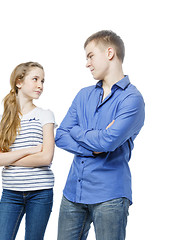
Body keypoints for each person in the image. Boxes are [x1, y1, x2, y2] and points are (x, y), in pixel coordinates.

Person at [55, 30, 145, 240]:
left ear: (110, 53)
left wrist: (77, 132)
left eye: (90, 55)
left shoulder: (132, 99)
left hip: (110, 196)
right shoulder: (84, 94)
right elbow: (60, 135)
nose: (87, 63)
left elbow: (107, 141)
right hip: (73, 193)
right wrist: (96, 144)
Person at [0, 62, 55, 240]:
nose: (40, 85)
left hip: (40, 192)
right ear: (19, 82)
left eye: (43, 81)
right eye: (35, 79)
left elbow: (46, 157)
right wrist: (30, 150)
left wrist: (5, 158)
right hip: (10, 193)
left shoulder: (45, 115)